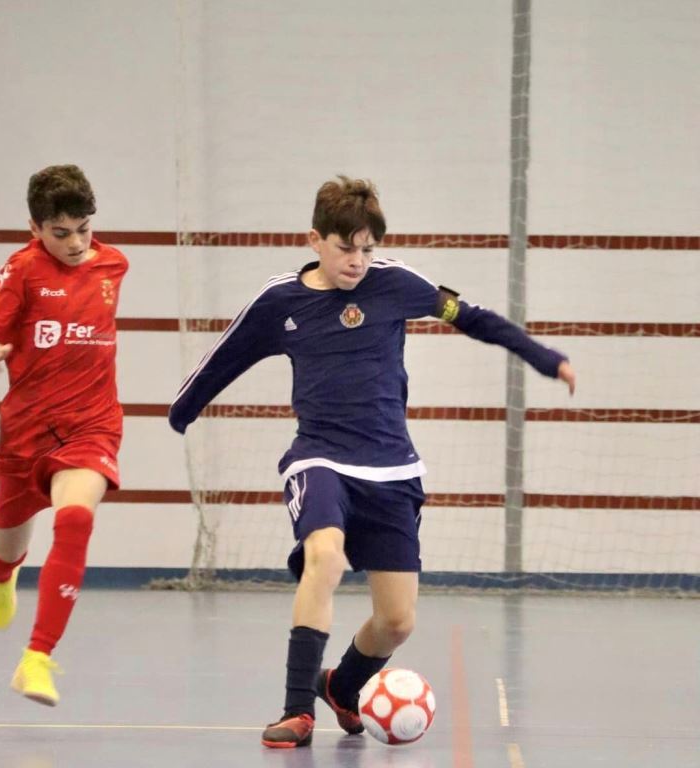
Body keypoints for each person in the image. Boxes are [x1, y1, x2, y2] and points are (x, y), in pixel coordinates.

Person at [168, 176, 576, 748]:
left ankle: (341, 685)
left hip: (391, 467)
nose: (357, 261)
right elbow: (225, 358)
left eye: (367, 248)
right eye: (344, 247)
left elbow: (473, 317)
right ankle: (296, 710)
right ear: (315, 239)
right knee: (326, 558)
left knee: (397, 621)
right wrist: (181, 411)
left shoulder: (397, 285)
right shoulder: (281, 301)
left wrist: (543, 356)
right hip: (319, 457)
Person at [0, 164, 128, 706]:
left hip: (91, 425)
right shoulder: (21, 272)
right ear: (35, 228)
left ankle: (35, 658)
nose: (78, 243)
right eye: (61, 233)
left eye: (84, 228)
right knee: (8, 544)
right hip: (24, 436)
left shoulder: (114, 264)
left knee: (76, 518)